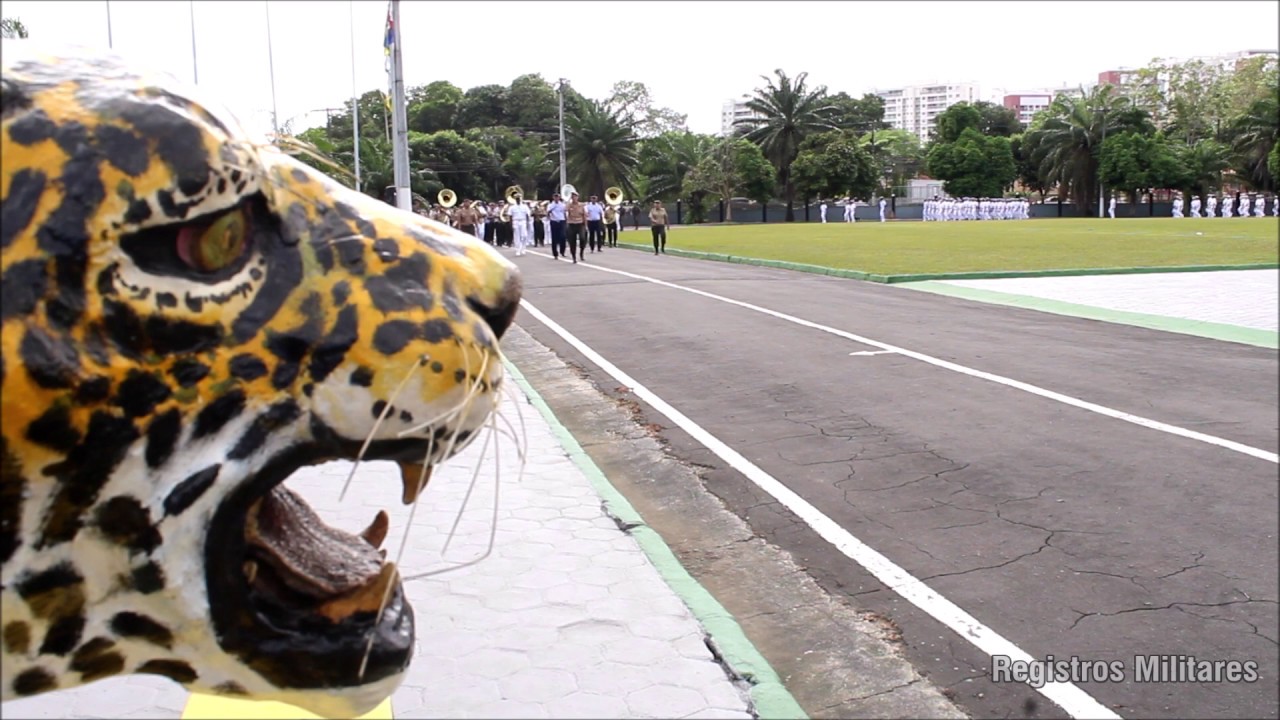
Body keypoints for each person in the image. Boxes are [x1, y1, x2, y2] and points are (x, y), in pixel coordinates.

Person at [565, 192, 587, 263]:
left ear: (578, 197)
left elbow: (584, 215)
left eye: (576, 196)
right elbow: (565, 210)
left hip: (580, 224)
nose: (574, 198)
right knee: (572, 242)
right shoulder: (569, 205)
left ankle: (581, 252)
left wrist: (586, 225)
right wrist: (568, 201)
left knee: (582, 238)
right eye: (573, 197)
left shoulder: (581, 205)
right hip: (571, 224)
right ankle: (574, 257)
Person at [547, 193, 567, 259]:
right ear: (553, 197)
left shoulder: (562, 205)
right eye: (555, 197)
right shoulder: (550, 205)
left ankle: (562, 251)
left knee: (563, 236)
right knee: (554, 238)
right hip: (554, 221)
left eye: (557, 197)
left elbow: (565, 213)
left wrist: (566, 221)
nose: (556, 198)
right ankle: (555, 253)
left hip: (561, 221)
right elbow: (548, 212)